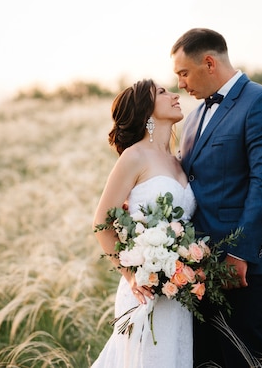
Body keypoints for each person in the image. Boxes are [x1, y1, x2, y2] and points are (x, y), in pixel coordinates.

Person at [172, 28, 262, 367]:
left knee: (248, 358)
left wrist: (241, 253)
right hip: (196, 268)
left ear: (209, 62)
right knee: (206, 360)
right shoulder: (194, 116)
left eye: (183, 73)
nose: (180, 83)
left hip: (242, 267)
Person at [91, 79, 196, 367]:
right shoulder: (134, 156)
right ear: (145, 111)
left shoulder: (178, 160)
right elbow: (102, 221)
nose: (175, 94)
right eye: (162, 92)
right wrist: (130, 275)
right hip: (146, 288)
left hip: (179, 289)